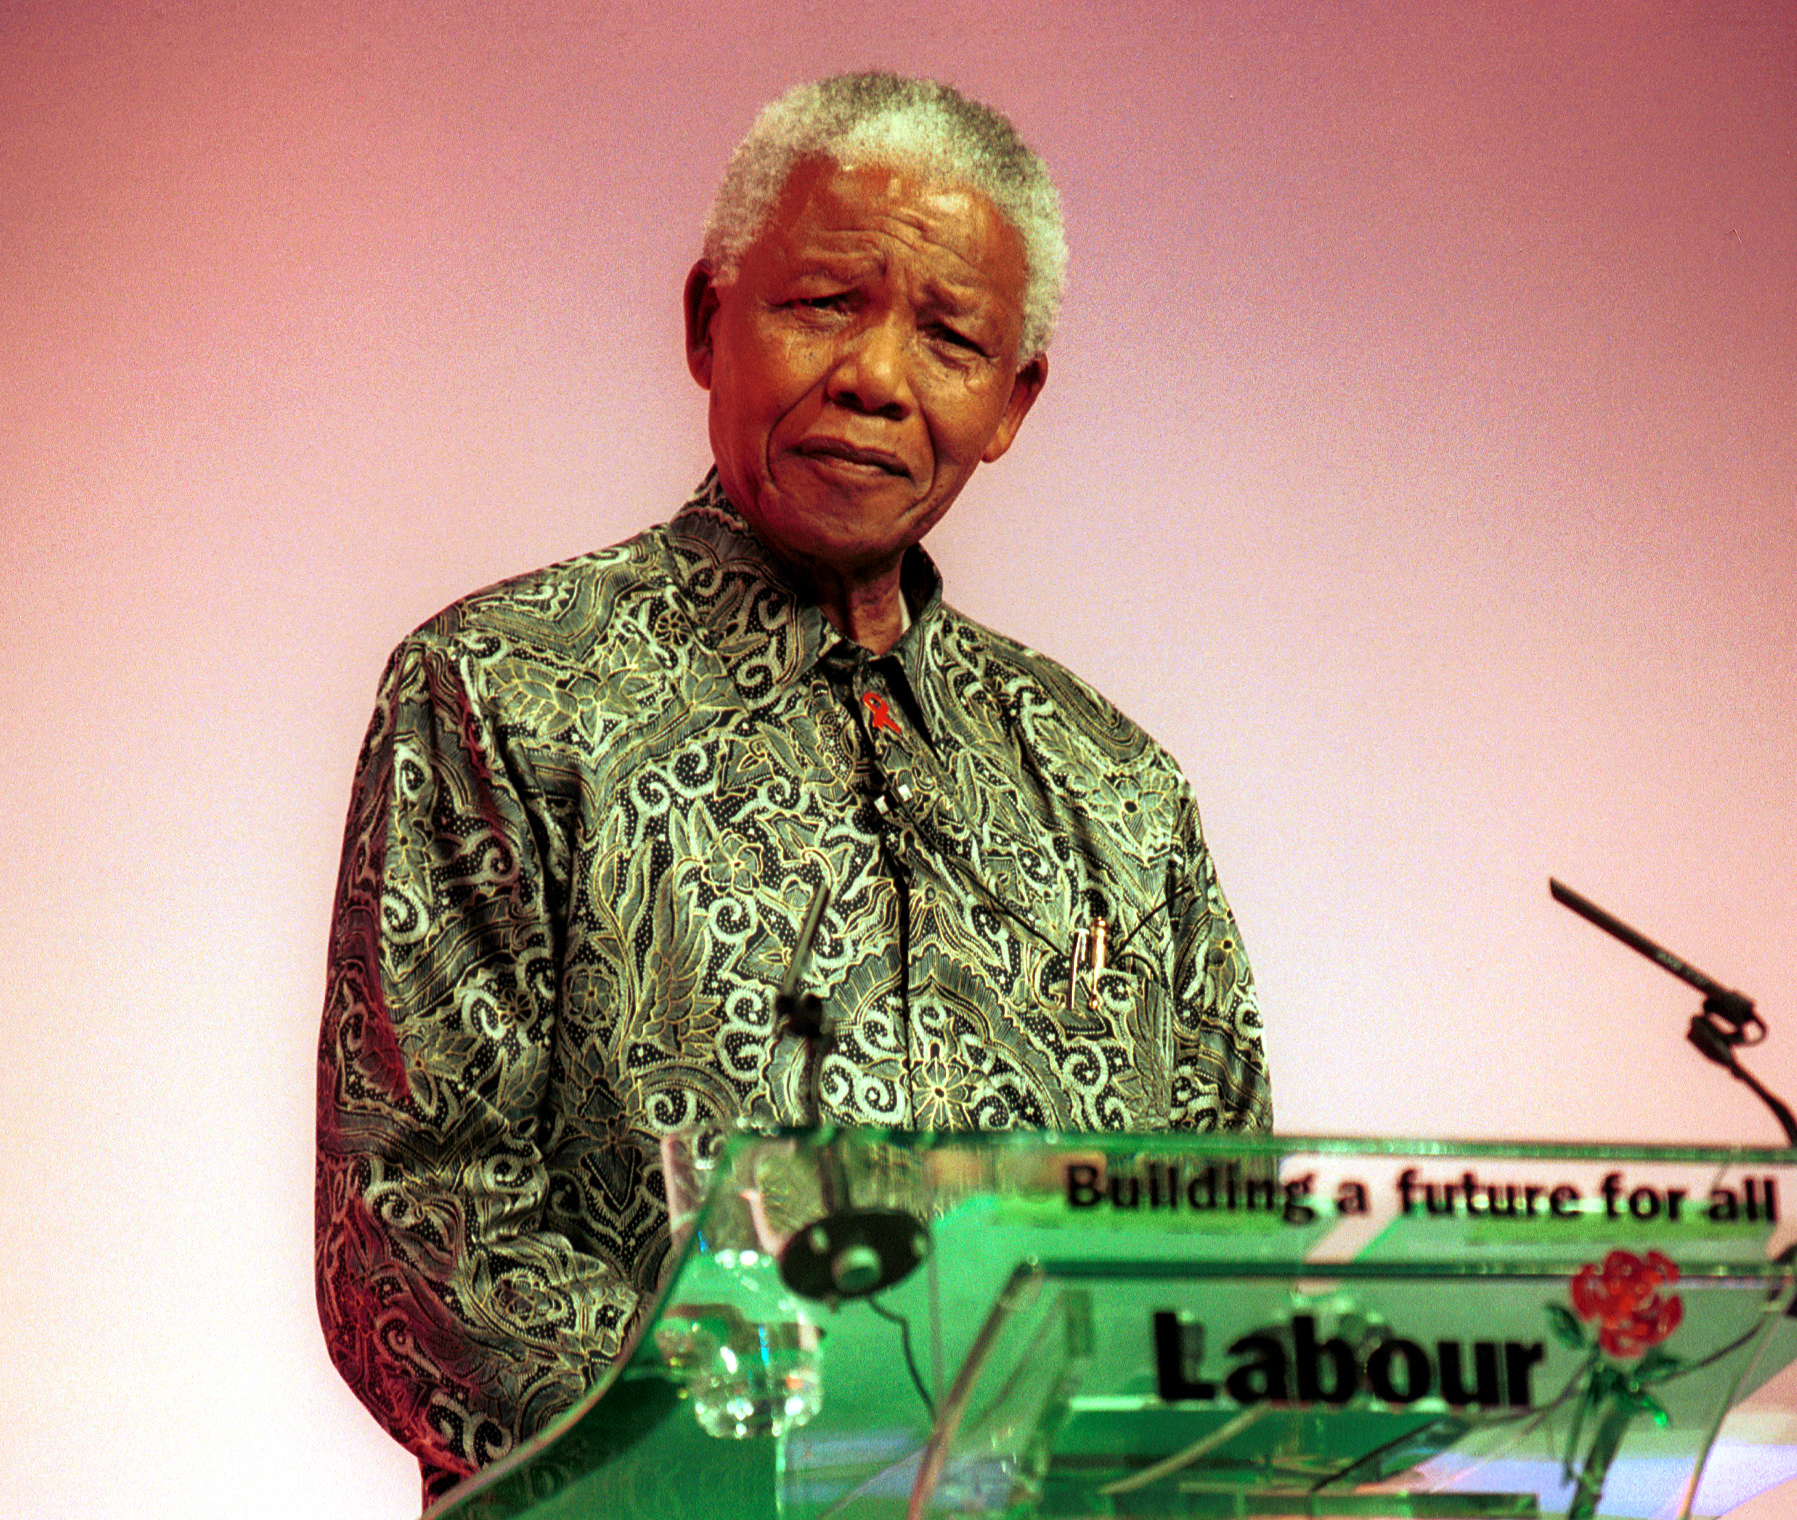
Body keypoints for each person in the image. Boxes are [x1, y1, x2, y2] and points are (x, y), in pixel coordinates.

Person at [315, 71, 1271, 1507]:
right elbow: (420, 1229)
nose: (879, 375)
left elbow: (1221, 1239)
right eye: (825, 303)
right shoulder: (503, 693)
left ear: (1010, 402)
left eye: (948, 335)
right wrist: (796, 1459)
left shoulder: (1118, 791)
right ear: (708, 323)